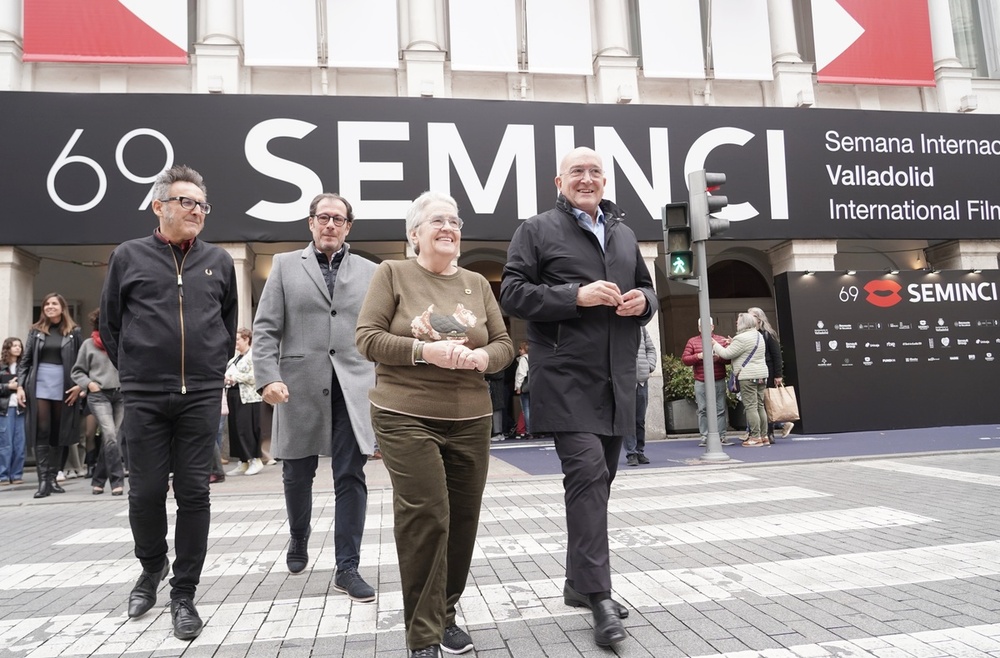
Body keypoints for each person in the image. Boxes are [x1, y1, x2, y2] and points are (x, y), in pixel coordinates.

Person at [500, 147, 657, 648]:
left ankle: (578, 582)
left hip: (616, 380)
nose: (586, 179)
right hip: (566, 378)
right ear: (558, 181)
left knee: (601, 480)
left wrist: (643, 302)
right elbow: (513, 294)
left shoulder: (626, 234)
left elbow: (650, 293)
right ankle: (599, 596)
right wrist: (576, 295)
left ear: (604, 181)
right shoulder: (537, 229)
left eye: (594, 172)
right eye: (576, 172)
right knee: (588, 473)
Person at [356, 191, 514, 658]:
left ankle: (444, 614)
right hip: (405, 413)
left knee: (462, 520)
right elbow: (366, 338)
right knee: (427, 516)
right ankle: (422, 635)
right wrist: (425, 351)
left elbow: (504, 341)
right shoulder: (393, 273)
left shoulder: (476, 283)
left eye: (455, 221)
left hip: (471, 414)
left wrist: (484, 356)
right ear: (415, 235)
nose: (449, 227)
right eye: (437, 221)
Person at [100, 164, 238, 641]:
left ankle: (184, 592)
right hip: (145, 394)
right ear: (159, 206)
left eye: (202, 204)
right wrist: (137, 371)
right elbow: (111, 323)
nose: (196, 211)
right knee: (144, 492)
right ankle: (151, 567)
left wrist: (211, 368)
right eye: (186, 202)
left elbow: (226, 319)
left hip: (200, 394)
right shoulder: (128, 255)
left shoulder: (219, 260)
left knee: (195, 494)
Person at [252, 192, 379, 602]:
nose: (330, 225)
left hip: (352, 386)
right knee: (296, 473)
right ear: (310, 223)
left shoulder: (371, 271)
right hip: (297, 386)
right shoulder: (286, 266)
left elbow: (377, 330)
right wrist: (267, 377)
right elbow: (266, 328)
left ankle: (348, 566)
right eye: (323, 217)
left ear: (348, 227)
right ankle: (298, 535)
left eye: (338, 219)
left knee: (350, 474)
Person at [17, 293, 83, 499]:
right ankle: (43, 481)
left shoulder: (74, 332)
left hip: (64, 384)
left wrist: (79, 386)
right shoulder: (35, 332)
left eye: (54, 303)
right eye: (46, 304)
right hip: (39, 383)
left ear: (63, 308)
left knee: (58, 431)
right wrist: (20, 386)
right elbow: (25, 361)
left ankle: (54, 478)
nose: (49, 306)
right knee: (42, 430)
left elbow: (82, 362)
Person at [71, 309, 125, 496]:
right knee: (109, 434)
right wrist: (89, 384)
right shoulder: (88, 345)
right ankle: (117, 481)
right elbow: (77, 371)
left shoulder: (121, 342)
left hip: (121, 395)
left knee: (112, 438)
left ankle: (98, 480)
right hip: (99, 395)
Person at [712, 312, 768, 447]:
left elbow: (726, 354)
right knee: (760, 405)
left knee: (751, 407)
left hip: (747, 376)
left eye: (738, 321)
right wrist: (733, 342)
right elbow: (747, 349)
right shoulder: (758, 335)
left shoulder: (741, 338)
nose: (736, 323)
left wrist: (714, 344)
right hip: (761, 374)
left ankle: (755, 437)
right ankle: (764, 435)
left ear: (743, 323)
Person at [681, 318, 733, 448]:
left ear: (713, 327)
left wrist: (719, 358)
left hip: (718, 379)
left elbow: (729, 359)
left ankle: (721, 436)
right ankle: (704, 437)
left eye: (708, 326)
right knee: (703, 409)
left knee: (720, 409)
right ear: (699, 328)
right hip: (701, 380)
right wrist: (698, 356)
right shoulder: (692, 341)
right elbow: (685, 360)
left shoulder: (721, 340)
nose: (705, 328)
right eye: (702, 326)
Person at [748, 306, 792, 442]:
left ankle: (770, 432)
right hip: (755, 371)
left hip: (769, 371)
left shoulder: (768, 333)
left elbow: (777, 355)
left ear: (759, 318)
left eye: (752, 315)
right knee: (758, 402)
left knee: (767, 402)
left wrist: (778, 375)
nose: (749, 318)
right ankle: (760, 432)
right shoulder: (749, 333)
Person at [224, 328, 264, 476]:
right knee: (235, 429)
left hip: (249, 398)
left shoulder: (254, 356)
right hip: (234, 395)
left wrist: (236, 377)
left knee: (247, 429)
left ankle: (255, 459)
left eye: (238, 339)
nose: (236, 343)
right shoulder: (235, 358)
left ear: (247, 339)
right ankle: (243, 461)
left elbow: (255, 376)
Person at [624, 326, 657, 466]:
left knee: (640, 420)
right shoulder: (617, 329)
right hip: (625, 382)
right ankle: (631, 453)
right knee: (628, 420)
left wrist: (649, 366)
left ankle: (640, 451)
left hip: (642, 381)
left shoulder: (642, 329)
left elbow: (651, 349)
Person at [0, 337, 26, 486]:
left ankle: (17, 474)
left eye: (19, 346)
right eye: (14, 346)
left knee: (19, 443)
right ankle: (3, 475)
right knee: (5, 443)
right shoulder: (1, 366)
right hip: (5, 409)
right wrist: (8, 387)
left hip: (21, 409)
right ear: (7, 348)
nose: (17, 348)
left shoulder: (24, 367)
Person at [513, 341, 531, 439]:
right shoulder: (534, 358)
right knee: (533, 409)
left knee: (526, 409)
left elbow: (521, 374)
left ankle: (528, 430)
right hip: (534, 387)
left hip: (525, 387)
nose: (519, 350)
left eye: (521, 348)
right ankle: (536, 429)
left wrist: (518, 387)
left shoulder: (523, 360)